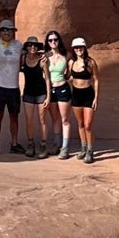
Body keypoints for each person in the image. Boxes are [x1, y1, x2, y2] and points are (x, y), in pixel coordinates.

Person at [0, 18, 25, 155]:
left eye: (9, 30)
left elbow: (32, 53)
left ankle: (14, 143)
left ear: (13, 32)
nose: (6, 32)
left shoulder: (18, 45)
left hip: (13, 87)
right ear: (0, 32)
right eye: (4, 30)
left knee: (14, 116)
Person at [68, 35, 100, 163]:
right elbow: (65, 76)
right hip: (76, 94)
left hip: (88, 94)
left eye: (80, 47)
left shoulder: (91, 62)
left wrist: (96, 98)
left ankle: (90, 150)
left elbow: (96, 80)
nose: (78, 49)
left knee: (88, 125)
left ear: (84, 48)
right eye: (76, 47)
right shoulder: (71, 62)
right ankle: (83, 148)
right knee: (80, 123)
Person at [43, 28, 73, 158]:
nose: (53, 42)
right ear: (48, 42)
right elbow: (44, 74)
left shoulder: (66, 55)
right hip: (51, 90)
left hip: (62, 88)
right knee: (55, 119)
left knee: (65, 119)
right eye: (50, 40)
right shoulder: (45, 56)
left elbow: (69, 72)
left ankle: (65, 147)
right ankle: (57, 144)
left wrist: (67, 76)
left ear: (59, 40)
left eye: (55, 39)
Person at [19, 35, 48, 156]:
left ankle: (43, 145)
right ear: (27, 47)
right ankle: (30, 145)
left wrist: (48, 96)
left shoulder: (42, 60)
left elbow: (47, 78)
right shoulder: (23, 58)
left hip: (41, 93)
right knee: (29, 120)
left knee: (42, 120)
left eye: (35, 45)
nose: (33, 47)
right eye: (30, 45)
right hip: (28, 93)